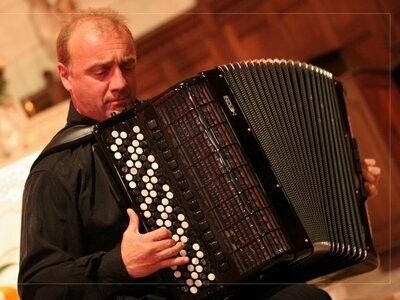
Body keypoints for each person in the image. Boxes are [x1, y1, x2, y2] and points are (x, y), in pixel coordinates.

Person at [18, 8, 381, 300]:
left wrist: (340, 182)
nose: (120, 82)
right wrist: (120, 264)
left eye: (127, 65)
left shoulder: (176, 121)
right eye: (101, 72)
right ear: (66, 76)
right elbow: (37, 285)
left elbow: (254, 188)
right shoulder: (56, 171)